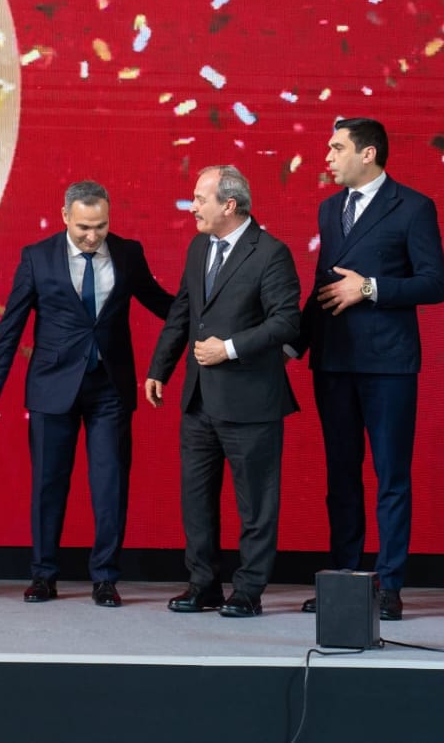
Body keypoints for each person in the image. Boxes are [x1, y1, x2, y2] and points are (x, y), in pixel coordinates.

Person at [0, 180, 173, 607]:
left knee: (110, 485)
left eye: (100, 226)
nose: (92, 236)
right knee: (47, 485)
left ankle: (105, 578)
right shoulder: (37, 257)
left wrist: (216, 312)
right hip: (51, 386)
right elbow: (11, 324)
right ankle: (43, 575)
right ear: (65, 216)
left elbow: (162, 304)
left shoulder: (128, 253)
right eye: (84, 227)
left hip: (110, 387)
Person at [294, 118, 444, 621]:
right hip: (333, 360)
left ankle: (390, 585)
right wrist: (292, 343)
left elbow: (435, 283)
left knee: (391, 476)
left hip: (388, 365)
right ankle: (344, 579)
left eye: (337, 147)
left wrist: (370, 288)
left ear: (368, 153)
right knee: (340, 475)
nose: (328, 157)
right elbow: (323, 286)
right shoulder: (329, 208)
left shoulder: (414, 206)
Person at [145, 165, 300, 618]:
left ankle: (248, 591)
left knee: (256, 506)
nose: (192, 206)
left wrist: (228, 348)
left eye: (200, 198)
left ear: (229, 205)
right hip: (198, 401)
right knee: (196, 500)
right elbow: (183, 311)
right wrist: (159, 368)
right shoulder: (199, 247)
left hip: (251, 402)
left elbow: (286, 322)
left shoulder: (271, 253)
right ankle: (203, 585)